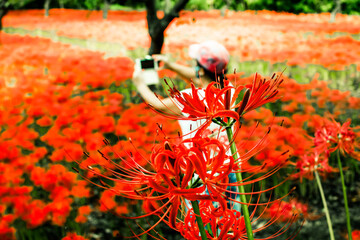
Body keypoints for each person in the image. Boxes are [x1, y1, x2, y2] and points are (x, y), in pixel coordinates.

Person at [132, 40, 231, 139]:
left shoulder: (192, 97)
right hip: (231, 152)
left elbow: (160, 106)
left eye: (195, 64)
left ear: (200, 70)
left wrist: (139, 84)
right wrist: (170, 66)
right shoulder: (229, 89)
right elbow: (200, 77)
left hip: (201, 154)